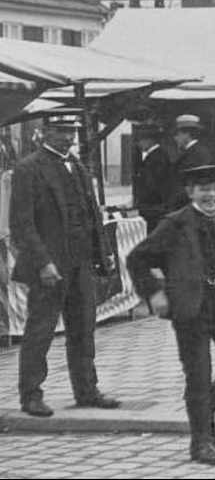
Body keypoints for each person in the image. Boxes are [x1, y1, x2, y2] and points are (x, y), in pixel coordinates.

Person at [126, 164, 215, 465]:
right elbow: (137, 259)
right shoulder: (175, 223)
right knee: (198, 376)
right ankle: (200, 444)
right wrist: (155, 292)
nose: (212, 196)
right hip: (189, 307)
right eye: (205, 190)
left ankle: (204, 414)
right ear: (191, 192)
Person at [12, 115, 120, 418]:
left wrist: (104, 251)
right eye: (60, 131)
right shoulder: (28, 169)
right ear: (43, 132)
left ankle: (86, 390)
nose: (68, 138)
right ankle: (31, 395)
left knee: (84, 328)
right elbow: (21, 224)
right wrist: (43, 262)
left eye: (71, 132)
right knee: (41, 330)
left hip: (81, 262)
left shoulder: (79, 167)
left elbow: (92, 213)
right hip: (50, 266)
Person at [131, 121, 175, 235]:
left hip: (154, 207)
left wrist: (141, 201)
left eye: (140, 140)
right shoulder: (157, 155)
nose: (139, 144)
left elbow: (152, 185)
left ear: (149, 140)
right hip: (155, 207)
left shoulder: (156, 158)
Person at [170, 114, 213, 211]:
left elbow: (194, 181)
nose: (175, 138)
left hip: (190, 205)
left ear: (187, 134)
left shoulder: (197, 154)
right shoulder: (194, 151)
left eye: (177, 134)